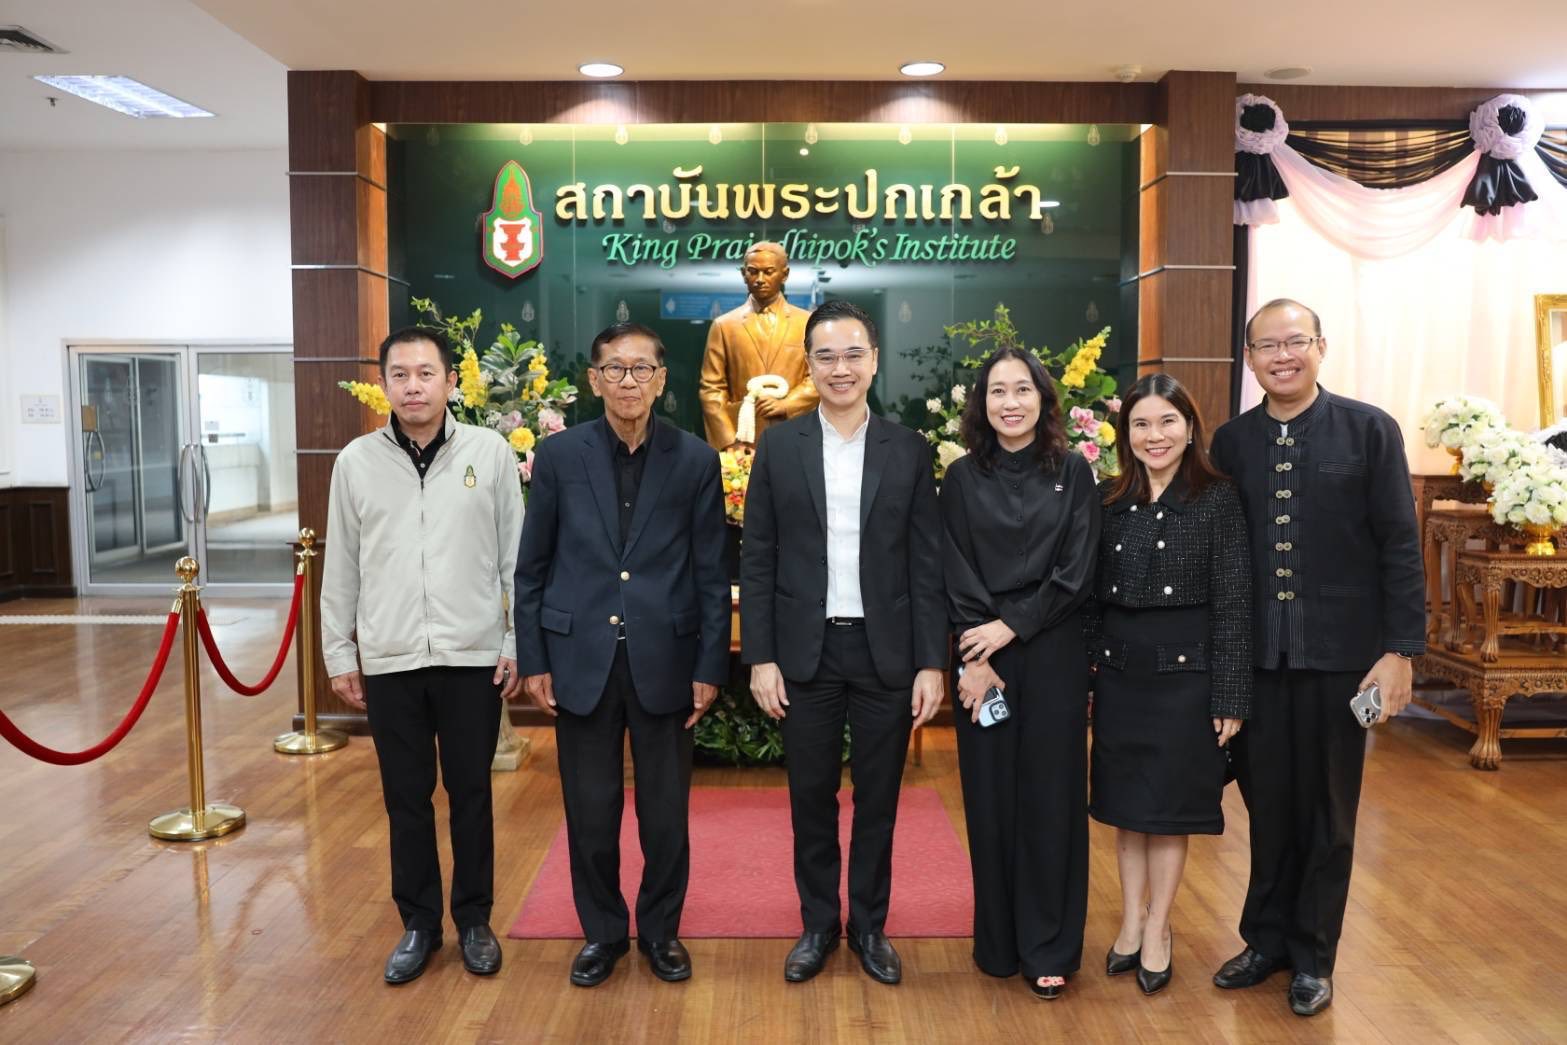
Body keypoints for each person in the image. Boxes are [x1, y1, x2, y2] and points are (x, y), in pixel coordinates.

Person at [1209, 298, 1425, 1017]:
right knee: (1266, 806)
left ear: (1320, 347)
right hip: (1257, 662)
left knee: (1329, 813)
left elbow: (1400, 544)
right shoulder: (1231, 442)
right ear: (1249, 359)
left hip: (1342, 661)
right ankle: (1265, 940)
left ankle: (1312, 955)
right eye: (1267, 346)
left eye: (1294, 341)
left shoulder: (1368, 430)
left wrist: (1400, 650)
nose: (1282, 356)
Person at [514, 322, 730, 988]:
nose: (628, 381)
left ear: (661, 380)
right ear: (594, 379)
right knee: (591, 811)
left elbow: (710, 573)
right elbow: (532, 567)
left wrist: (710, 666)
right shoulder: (558, 457)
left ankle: (661, 931)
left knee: (665, 815)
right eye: (615, 369)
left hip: (666, 658)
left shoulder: (695, 460)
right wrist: (534, 658)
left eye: (641, 369)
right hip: (580, 658)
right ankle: (602, 932)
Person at [740, 299, 946, 986]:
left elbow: (926, 563)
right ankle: (818, 924)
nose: (840, 368)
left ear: (874, 360)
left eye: (853, 354)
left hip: (887, 652)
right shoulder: (779, 447)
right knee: (811, 798)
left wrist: (930, 661)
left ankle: (870, 926)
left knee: (879, 799)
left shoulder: (907, 448)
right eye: (825, 356)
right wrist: (760, 655)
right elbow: (757, 556)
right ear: (808, 364)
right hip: (807, 650)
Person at [320, 326, 524, 984]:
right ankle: (418, 923)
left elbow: (516, 558)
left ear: (450, 382)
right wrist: (338, 651)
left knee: (471, 794)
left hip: (472, 656)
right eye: (400, 375)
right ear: (383, 384)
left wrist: (516, 640)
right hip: (391, 656)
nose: (413, 386)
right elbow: (341, 565)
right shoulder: (356, 462)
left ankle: (474, 919)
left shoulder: (490, 452)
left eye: (426, 373)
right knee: (405, 798)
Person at [939, 347, 1100, 1001]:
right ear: (981, 403)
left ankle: (1049, 946)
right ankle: (999, 943)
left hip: (1054, 652)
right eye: (997, 391)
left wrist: (1010, 627)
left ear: (1043, 398)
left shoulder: (1074, 471)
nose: (1010, 402)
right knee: (989, 797)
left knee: (1052, 799)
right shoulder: (960, 477)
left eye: (1022, 389)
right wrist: (977, 659)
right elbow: (952, 567)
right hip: (982, 660)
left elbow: (1078, 569)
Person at [1084, 373, 1251, 997]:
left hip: (1187, 680)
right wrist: (1084, 681)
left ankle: (1159, 928)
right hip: (1120, 675)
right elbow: (1090, 600)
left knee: (1168, 812)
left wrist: (1230, 695)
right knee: (1127, 811)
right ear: (1125, 433)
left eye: (1167, 422)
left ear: (1189, 426)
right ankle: (1130, 922)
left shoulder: (1217, 497)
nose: (1154, 436)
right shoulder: (1107, 498)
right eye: (1141, 424)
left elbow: (1234, 601)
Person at [698, 241, 818, 449]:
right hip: (743, 437)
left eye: (768, 272)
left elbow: (819, 377)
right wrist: (729, 441)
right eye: (753, 272)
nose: (760, 279)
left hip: (796, 435)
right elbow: (711, 388)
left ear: (785, 274)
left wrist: (788, 404)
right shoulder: (724, 326)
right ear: (743, 274)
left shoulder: (806, 323)